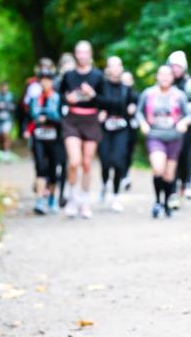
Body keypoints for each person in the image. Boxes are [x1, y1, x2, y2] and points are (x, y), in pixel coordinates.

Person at [136, 64, 191, 219]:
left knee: (169, 174)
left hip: (174, 138)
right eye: (162, 74)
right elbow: (138, 112)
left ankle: (167, 202)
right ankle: (157, 202)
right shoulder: (148, 94)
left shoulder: (179, 95)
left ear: (172, 77)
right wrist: (143, 123)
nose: (165, 78)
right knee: (158, 168)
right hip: (155, 136)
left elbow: (189, 115)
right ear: (157, 76)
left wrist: (184, 123)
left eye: (168, 75)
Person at [59, 40, 106, 219]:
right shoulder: (69, 75)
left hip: (91, 119)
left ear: (90, 54)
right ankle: (72, 197)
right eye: (79, 52)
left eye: (85, 52)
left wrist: (93, 95)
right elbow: (60, 96)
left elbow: (105, 100)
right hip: (72, 119)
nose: (82, 56)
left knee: (87, 163)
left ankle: (84, 201)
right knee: (74, 161)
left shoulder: (98, 76)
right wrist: (68, 99)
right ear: (75, 54)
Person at [97, 56, 137, 212]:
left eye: (118, 65)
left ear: (121, 68)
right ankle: (104, 183)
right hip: (105, 129)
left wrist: (133, 107)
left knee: (119, 161)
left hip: (121, 128)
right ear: (107, 69)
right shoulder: (102, 86)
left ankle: (115, 196)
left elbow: (135, 100)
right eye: (112, 65)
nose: (115, 68)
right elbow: (95, 101)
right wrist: (100, 112)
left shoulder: (126, 88)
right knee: (106, 161)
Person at [167, 51, 191, 206]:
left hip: (188, 126)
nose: (175, 69)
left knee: (186, 156)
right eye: (173, 66)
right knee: (173, 157)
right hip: (171, 127)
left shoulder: (190, 84)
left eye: (178, 66)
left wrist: (182, 107)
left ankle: (186, 184)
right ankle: (174, 189)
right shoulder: (166, 82)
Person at [28, 73, 63, 215]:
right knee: (40, 167)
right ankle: (40, 199)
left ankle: (52, 198)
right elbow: (31, 116)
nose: (45, 83)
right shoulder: (35, 99)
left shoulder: (57, 98)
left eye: (48, 81)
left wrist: (47, 117)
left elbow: (60, 118)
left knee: (53, 169)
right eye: (42, 81)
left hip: (55, 139)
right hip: (39, 137)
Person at [121, 70, 138, 192]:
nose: (126, 83)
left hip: (132, 129)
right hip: (119, 129)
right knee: (120, 152)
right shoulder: (117, 95)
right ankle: (121, 175)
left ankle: (125, 175)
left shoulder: (137, 96)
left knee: (128, 153)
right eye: (123, 80)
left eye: (128, 80)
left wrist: (135, 110)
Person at [0, 81, 15, 151]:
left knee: (6, 135)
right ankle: (0, 150)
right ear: (0, 87)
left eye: (5, 87)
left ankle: (7, 151)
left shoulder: (11, 96)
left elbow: (15, 107)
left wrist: (7, 106)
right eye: (3, 87)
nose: (4, 88)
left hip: (7, 119)